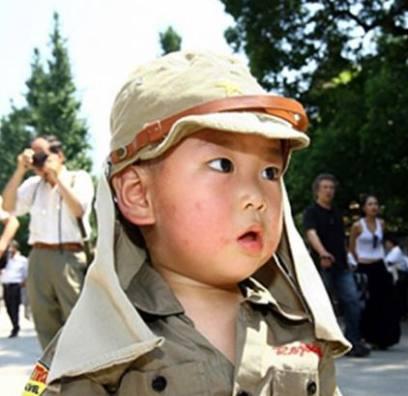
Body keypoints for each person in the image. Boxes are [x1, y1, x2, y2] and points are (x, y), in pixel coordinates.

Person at [24, 50, 350, 395]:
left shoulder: (300, 329)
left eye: (270, 172)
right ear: (138, 194)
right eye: (222, 165)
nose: (255, 194)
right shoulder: (92, 354)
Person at [2, 135, 94, 349]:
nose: (38, 161)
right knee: (44, 321)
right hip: (39, 257)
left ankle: (81, 373)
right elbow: (8, 207)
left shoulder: (77, 178)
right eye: (35, 156)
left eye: (43, 155)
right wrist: (20, 170)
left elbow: (78, 209)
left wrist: (56, 178)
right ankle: (53, 376)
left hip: (69, 256)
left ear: (59, 155)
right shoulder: (33, 185)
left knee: (76, 319)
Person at [303, 174, 370, 357]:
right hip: (321, 265)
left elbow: (342, 239)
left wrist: (349, 256)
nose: (329, 191)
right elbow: (311, 234)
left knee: (352, 302)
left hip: (341, 265)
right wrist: (322, 252)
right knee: (322, 305)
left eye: (331, 187)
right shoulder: (311, 212)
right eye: (325, 187)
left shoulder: (337, 213)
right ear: (317, 190)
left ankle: (352, 341)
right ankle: (320, 344)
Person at [349, 195, 400, 350]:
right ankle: (367, 336)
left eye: (376, 204)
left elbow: (380, 244)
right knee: (367, 303)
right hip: (364, 265)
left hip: (379, 265)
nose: (373, 207)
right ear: (364, 208)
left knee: (385, 302)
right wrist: (358, 261)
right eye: (370, 204)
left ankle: (385, 338)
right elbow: (351, 247)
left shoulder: (381, 224)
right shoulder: (357, 226)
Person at [1, 240, 28, 338]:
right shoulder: (4, 260)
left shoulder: (22, 260)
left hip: (15, 286)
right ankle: (14, 324)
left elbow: (26, 274)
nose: (9, 250)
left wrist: (24, 283)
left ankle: (15, 327)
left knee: (14, 307)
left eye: (10, 248)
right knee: (8, 308)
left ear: (15, 248)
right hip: (6, 285)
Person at [384, 236, 408, 321]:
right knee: (398, 296)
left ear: (391, 243)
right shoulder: (391, 252)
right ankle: (400, 313)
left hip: (399, 276)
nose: (386, 245)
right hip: (394, 275)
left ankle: (402, 314)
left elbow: (389, 262)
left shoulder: (396, 251)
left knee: (400, 296)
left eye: (387, 243)